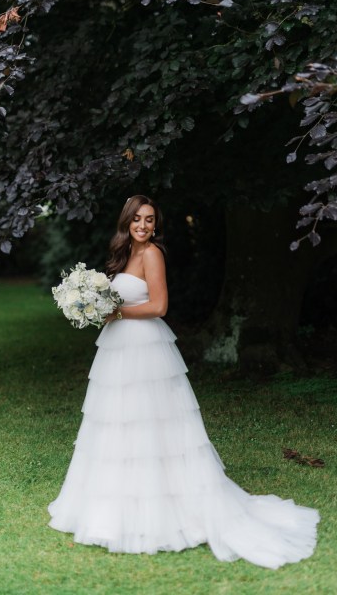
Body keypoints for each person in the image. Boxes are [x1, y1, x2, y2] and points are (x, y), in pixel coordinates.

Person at [48, 195, 320, 569]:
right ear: (126, 222)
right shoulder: (124, 255)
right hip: (118, 348)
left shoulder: (152, 254)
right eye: (137, 219)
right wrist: (94, 307)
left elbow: (159, 306)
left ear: (155, 225)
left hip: (144, 348)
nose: (143, 226)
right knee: (116, 421)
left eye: (150, 220)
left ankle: (162, 506)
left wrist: (115, 311)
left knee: (149, 422)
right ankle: (113, 504)